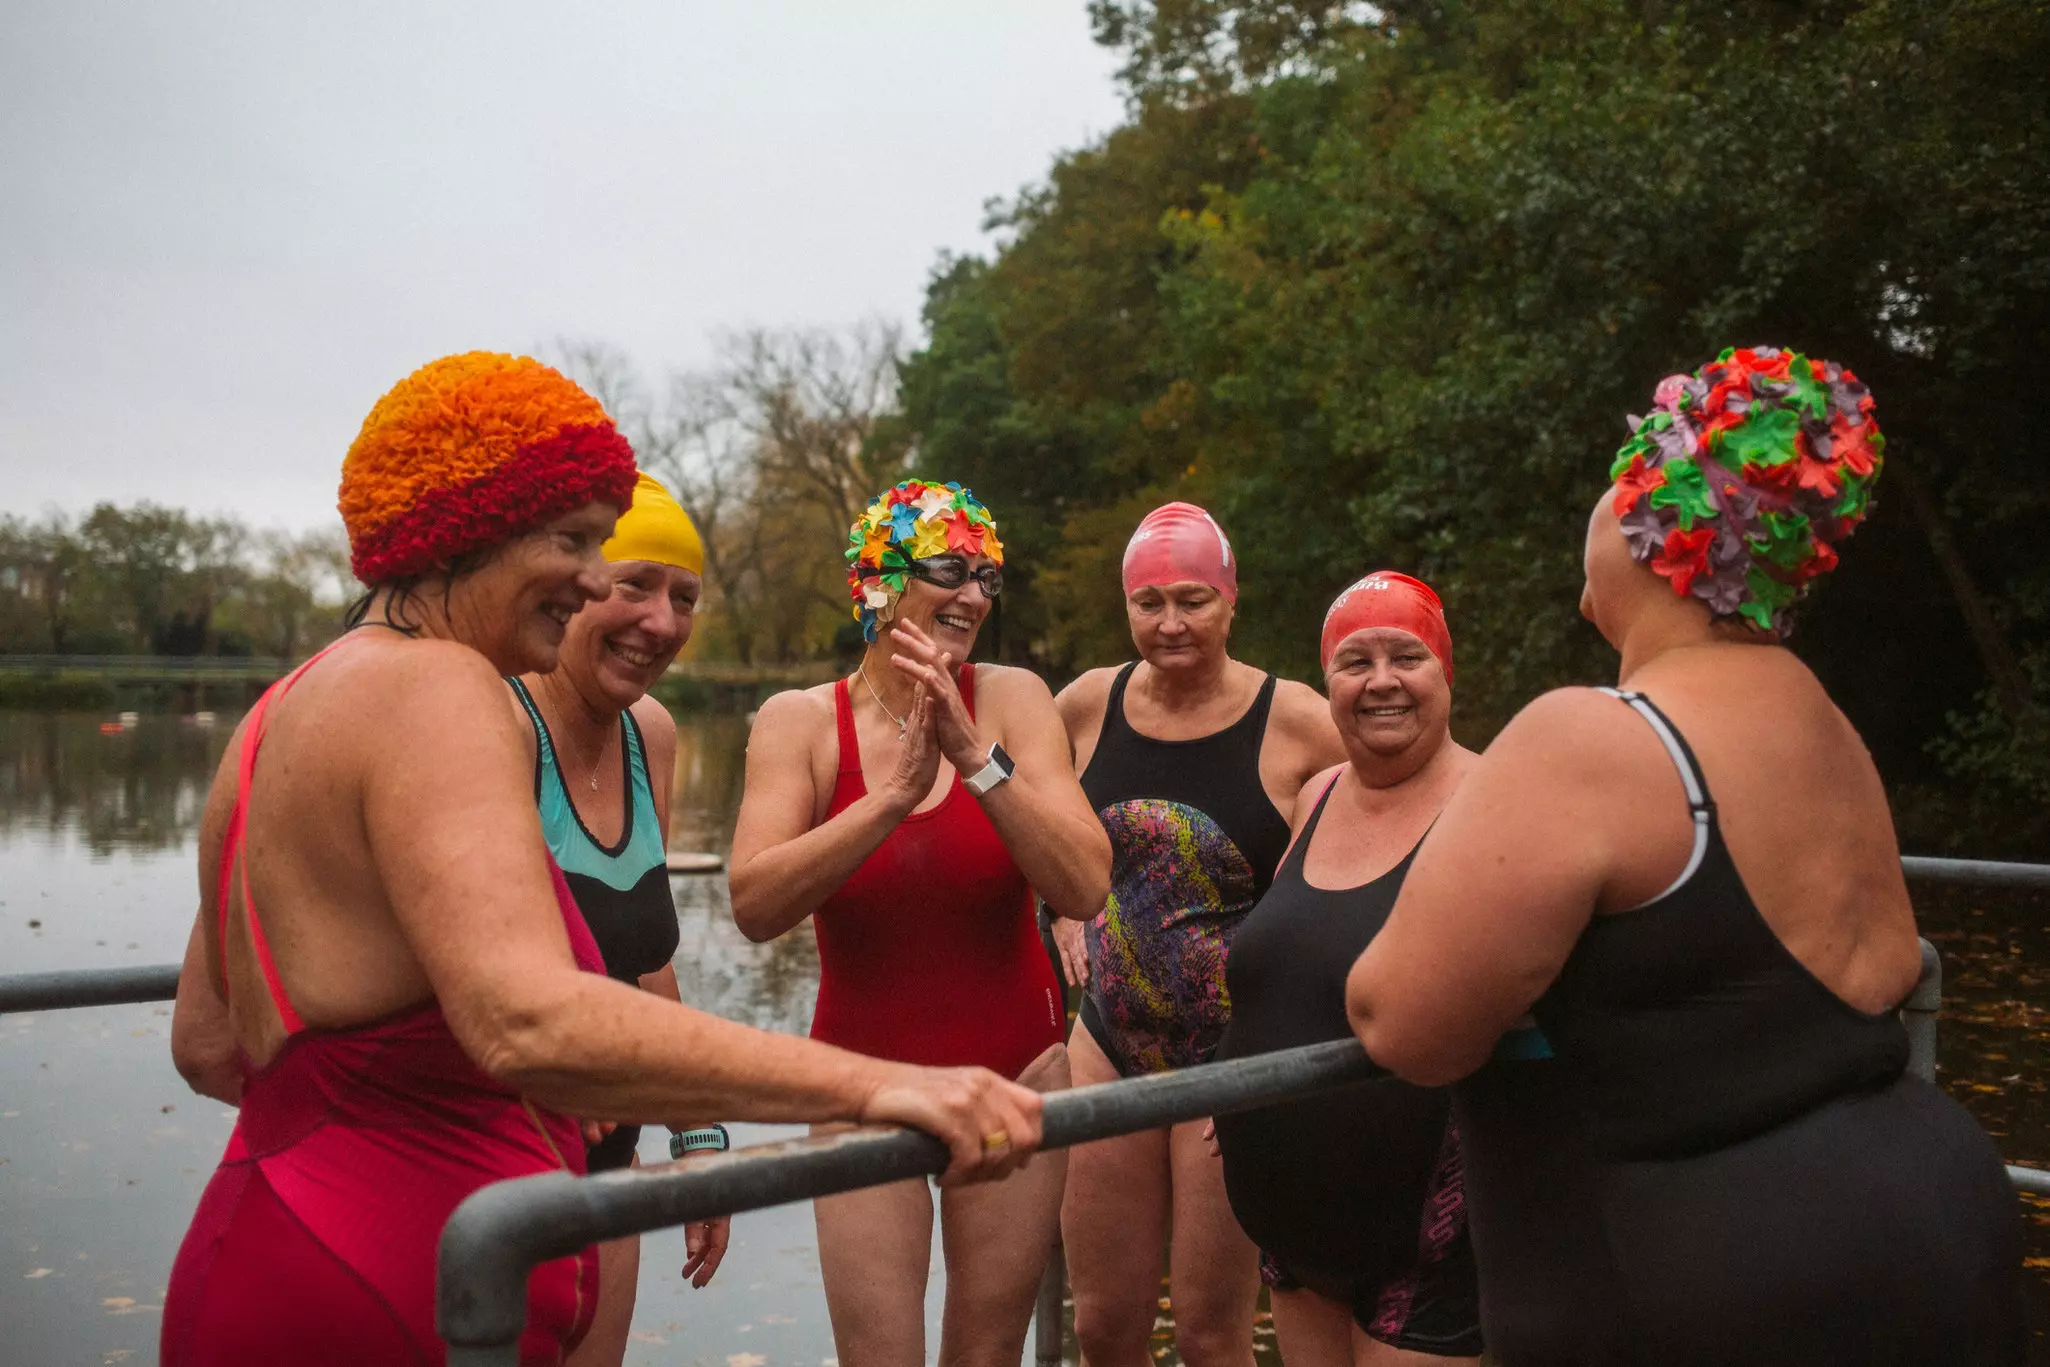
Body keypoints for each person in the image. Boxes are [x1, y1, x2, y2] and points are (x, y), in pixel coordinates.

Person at [164, 356, 1049, 1367]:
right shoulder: (440, 687)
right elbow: (527, 1015)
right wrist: (878, 1088)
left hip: (290, 1236)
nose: (594, 581)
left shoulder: (285, 704)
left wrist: (386, 1120)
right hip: (406, 1286)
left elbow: (205, 1037)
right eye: (577, 543)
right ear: (476, 525)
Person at [1346, 347, 2026, 1365]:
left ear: (1656, 529)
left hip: (1726, 1286)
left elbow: (1400, 1021)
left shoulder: (1588, 739)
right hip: (1937, 1224)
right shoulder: (1824, 723)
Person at [728, 479, 1111, 1367]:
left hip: (1017, 1069)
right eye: (951, 569)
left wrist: (976, 759)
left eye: (989, 577)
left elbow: (1087, 884)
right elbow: (753, 903)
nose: (976, 594)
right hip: (862, 1087)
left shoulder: (1013, 698)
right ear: (882, 580)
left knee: (985, 1355)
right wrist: (892, 799)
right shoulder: (800, 723)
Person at [1051, 502, 1342, 1367]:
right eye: (1149, 603)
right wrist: (1060, 905)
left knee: (1215, 1335)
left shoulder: (1298, 720)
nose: (1170, 623)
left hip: (1235, 1050)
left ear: (1230, 598)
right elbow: (1030, 828)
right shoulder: (1082, 706)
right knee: (1104, 1325)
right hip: (1108, 1037)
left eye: (1192, 600)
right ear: (1126, 605)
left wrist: (1288, 1037)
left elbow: (1362, 868)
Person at [1212, 571, 1481, 1366]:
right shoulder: (1319, 792)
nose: (1382, 681)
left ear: (1446, 670)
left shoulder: (1493, 800)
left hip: (1421, 1239)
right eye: (1354, 661)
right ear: (1326, 680)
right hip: (1293, 1233)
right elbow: (1285, 962)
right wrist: (1233, 1077)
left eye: (1408, 655)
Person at [507, 470, 729, 1367]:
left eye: (684, 598)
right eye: (636, 584)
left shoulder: (654, 734)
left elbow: (644, 957)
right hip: (491, 1181)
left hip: (610, 1183)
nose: (663, 623)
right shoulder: (495, 723)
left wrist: (700, 1133)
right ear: (574, 590)